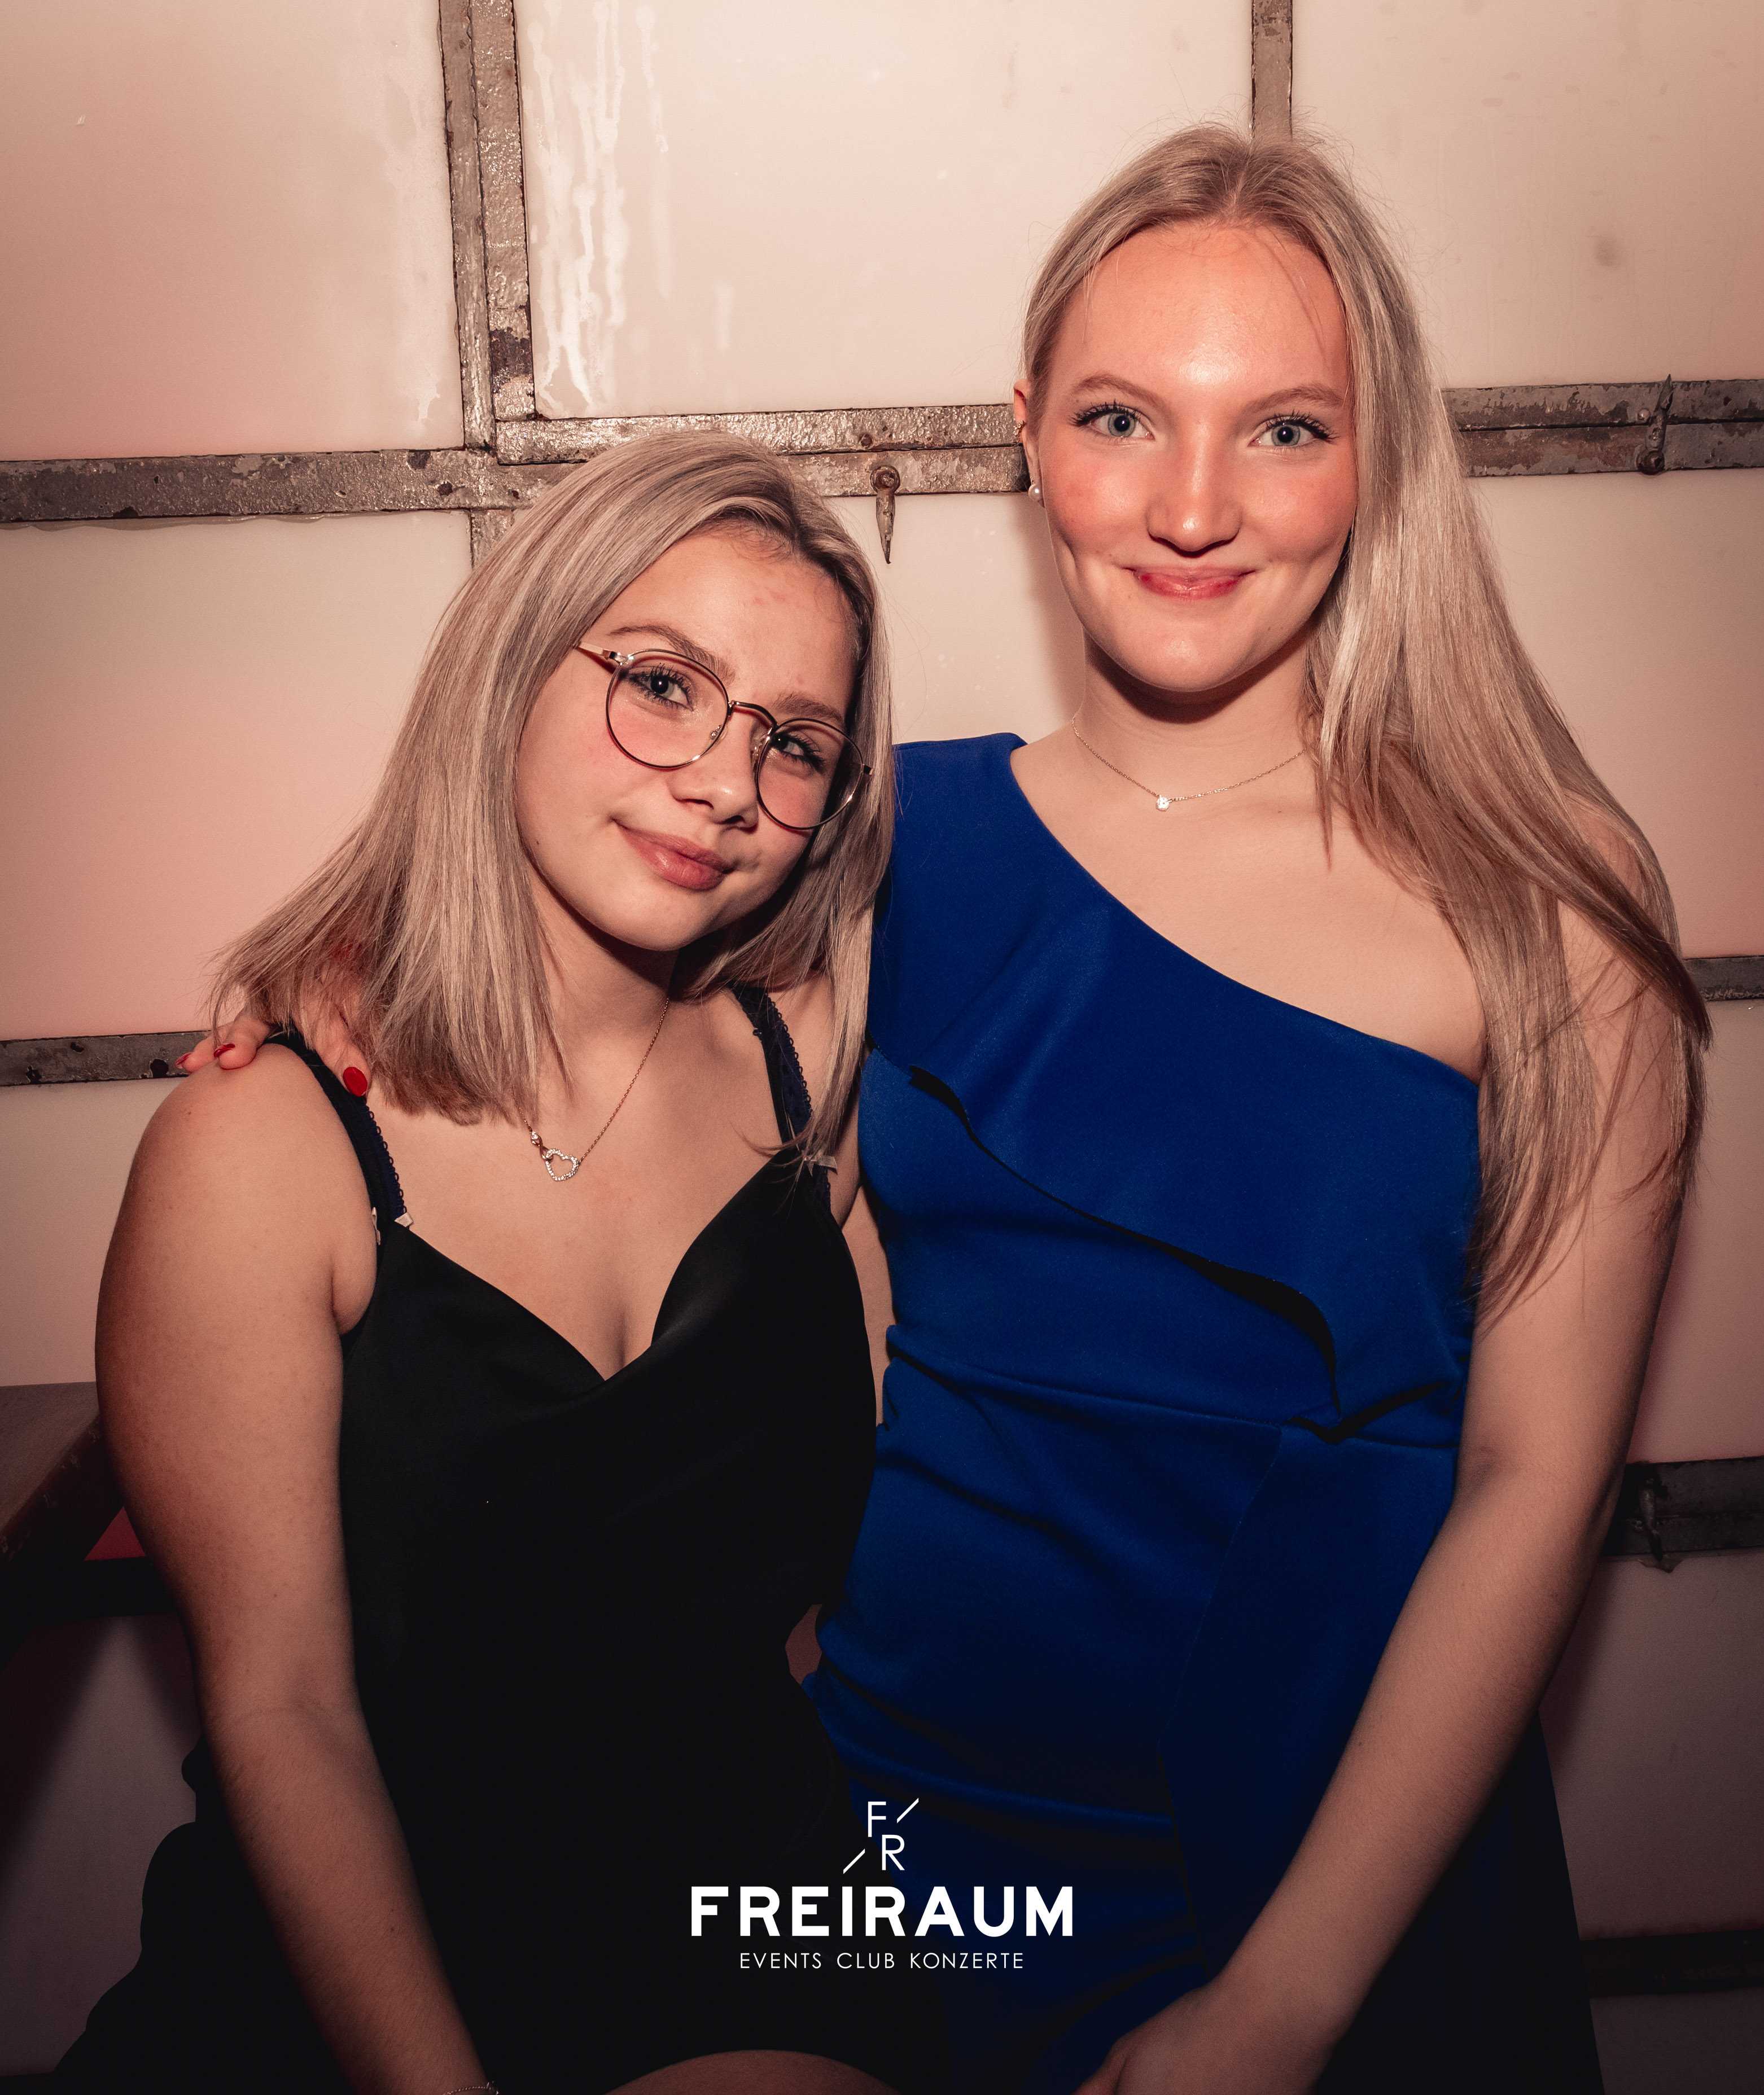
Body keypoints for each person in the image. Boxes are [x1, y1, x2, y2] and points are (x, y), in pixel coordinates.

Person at [190, 126, 1708, 2095]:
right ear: (1029, 440)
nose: (1190, 505)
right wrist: (330, 981)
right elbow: (577, 974)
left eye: (1283, 431)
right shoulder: (878, 837)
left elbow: (1535, 1487)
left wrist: (1285, 2003)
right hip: (904, 1844)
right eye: (1121, 418)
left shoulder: (1546, 897)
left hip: (1341, 1848)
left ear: (1381, 460)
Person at [60, 433, 948, 2095]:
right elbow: (284, 1711)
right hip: (347, 1939)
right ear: (513, 666)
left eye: (794, 742)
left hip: (748, 1919)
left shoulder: (812, 1070)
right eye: (664, 685)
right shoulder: (262, 1155)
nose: (724, 784)